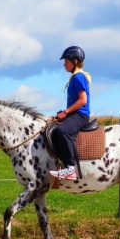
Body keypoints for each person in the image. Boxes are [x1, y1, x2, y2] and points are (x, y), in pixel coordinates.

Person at [49, 46, 91, 180]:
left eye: (66, 61)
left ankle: (70, 168)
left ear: (76, 61)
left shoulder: (78, 77)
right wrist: (65, 113)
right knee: (55, 131)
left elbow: (83, 100)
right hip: (74, 114)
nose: (64, 65)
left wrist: (66, 112)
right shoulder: (75, 77)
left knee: (62, 131)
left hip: (81, 115)